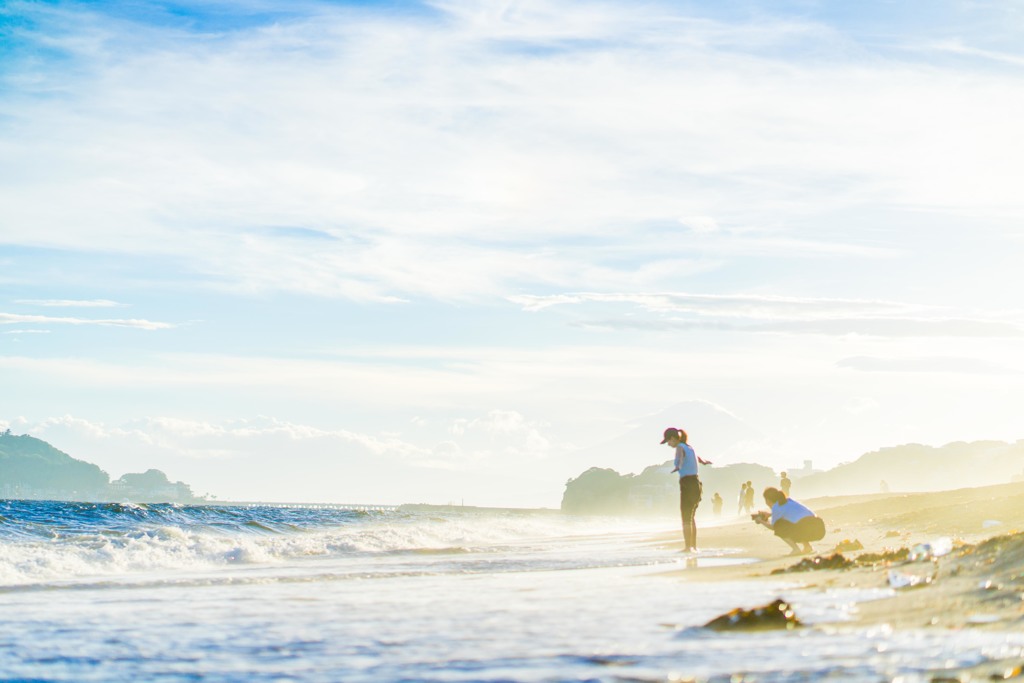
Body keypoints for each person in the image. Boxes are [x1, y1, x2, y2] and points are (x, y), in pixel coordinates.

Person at [661, 427, 712, 552]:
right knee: (691, 516)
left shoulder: (680, 448)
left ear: (673, 438)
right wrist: (704, 462)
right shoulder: (690, 447)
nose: (668, 444)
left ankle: (688, 547)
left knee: (686, 516)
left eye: (668, 441)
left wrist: (678, 466)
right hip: (696, 483)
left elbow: (682, 456)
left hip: (687, 483)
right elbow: (697, 458)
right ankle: (693, 546)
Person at [752, 486, 826, 556]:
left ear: (767, 500)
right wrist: (770, 514)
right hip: (819, 527)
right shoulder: (788, 500)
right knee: (796, 523)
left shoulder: (776, 507)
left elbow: (773, 527)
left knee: (779, 527)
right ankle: (807, 547)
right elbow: (792, 513)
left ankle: (796, 549)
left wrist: (761, 521)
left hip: (810, 529)